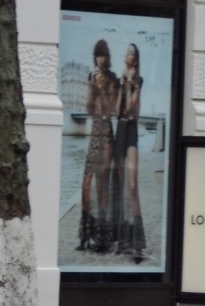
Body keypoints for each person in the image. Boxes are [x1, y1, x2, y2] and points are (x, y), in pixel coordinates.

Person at [78, 39, 118, 252]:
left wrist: (103, 87)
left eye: (103, 54)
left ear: (107, 57)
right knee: (86, 185)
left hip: (107, 135)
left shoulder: (112, 78)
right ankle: (85, 235)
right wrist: (92, 86)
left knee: (103, 186)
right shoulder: (92, 76)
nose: (100, 58)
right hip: (95, 134)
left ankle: (103, 237)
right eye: (97, 55)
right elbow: (90, 109)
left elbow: (110, 109)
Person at [113, 43, 144, 261]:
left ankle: (138, 243)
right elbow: (117, 111)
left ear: (136, 59)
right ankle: (122, 241)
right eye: (127, 51)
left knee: (132, 186)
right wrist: (123, 82)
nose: (129, 54)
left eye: (132, 52)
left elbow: (131, 109)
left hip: (131, 131)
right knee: (121, 187)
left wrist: (131, 84)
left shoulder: (139, 80)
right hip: (120, 131)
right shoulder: (120, 79)